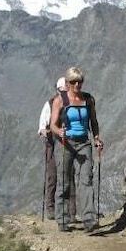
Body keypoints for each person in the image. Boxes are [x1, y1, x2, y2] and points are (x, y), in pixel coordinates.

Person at [50, 67, 103, 233]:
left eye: (80, 81)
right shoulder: (60, 100)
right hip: (65, 144)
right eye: (73, 82)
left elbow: (93, 121)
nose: (77, 84)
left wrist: (96, 138)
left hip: (84, 144)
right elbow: (53, 124)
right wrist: (59, 132)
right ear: (67, 83)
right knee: (64, 181)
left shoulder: (88, 100)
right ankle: (63, 220)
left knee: (86, 180)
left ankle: (89, 219)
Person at [37, 77, 76, 220]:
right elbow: (42, 123)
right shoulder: (50, 103)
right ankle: (51, 209)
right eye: (65, 89)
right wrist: (44, 131)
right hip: (53, 143)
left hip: (68, 143)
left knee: (69, 176)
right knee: (52, 176)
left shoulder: (73, 103)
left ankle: (71, 212)